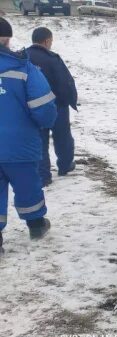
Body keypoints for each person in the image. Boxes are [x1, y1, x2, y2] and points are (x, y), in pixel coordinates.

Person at [0, 17, 58, 254]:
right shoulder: (23, 68)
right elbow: (44, 109)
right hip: (20, 145)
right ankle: (36, 225)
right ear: (8, 38)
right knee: (28, 186)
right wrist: (45, 124)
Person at [27, 27, 78, 186]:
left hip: (32, 108)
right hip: (56, 106)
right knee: (62, 137)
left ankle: (43, 176)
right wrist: (68, 100)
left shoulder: (22, 57)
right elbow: (65, 83)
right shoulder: (52, 58)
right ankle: (64, 165)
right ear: (47, 41)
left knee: (39, 140)